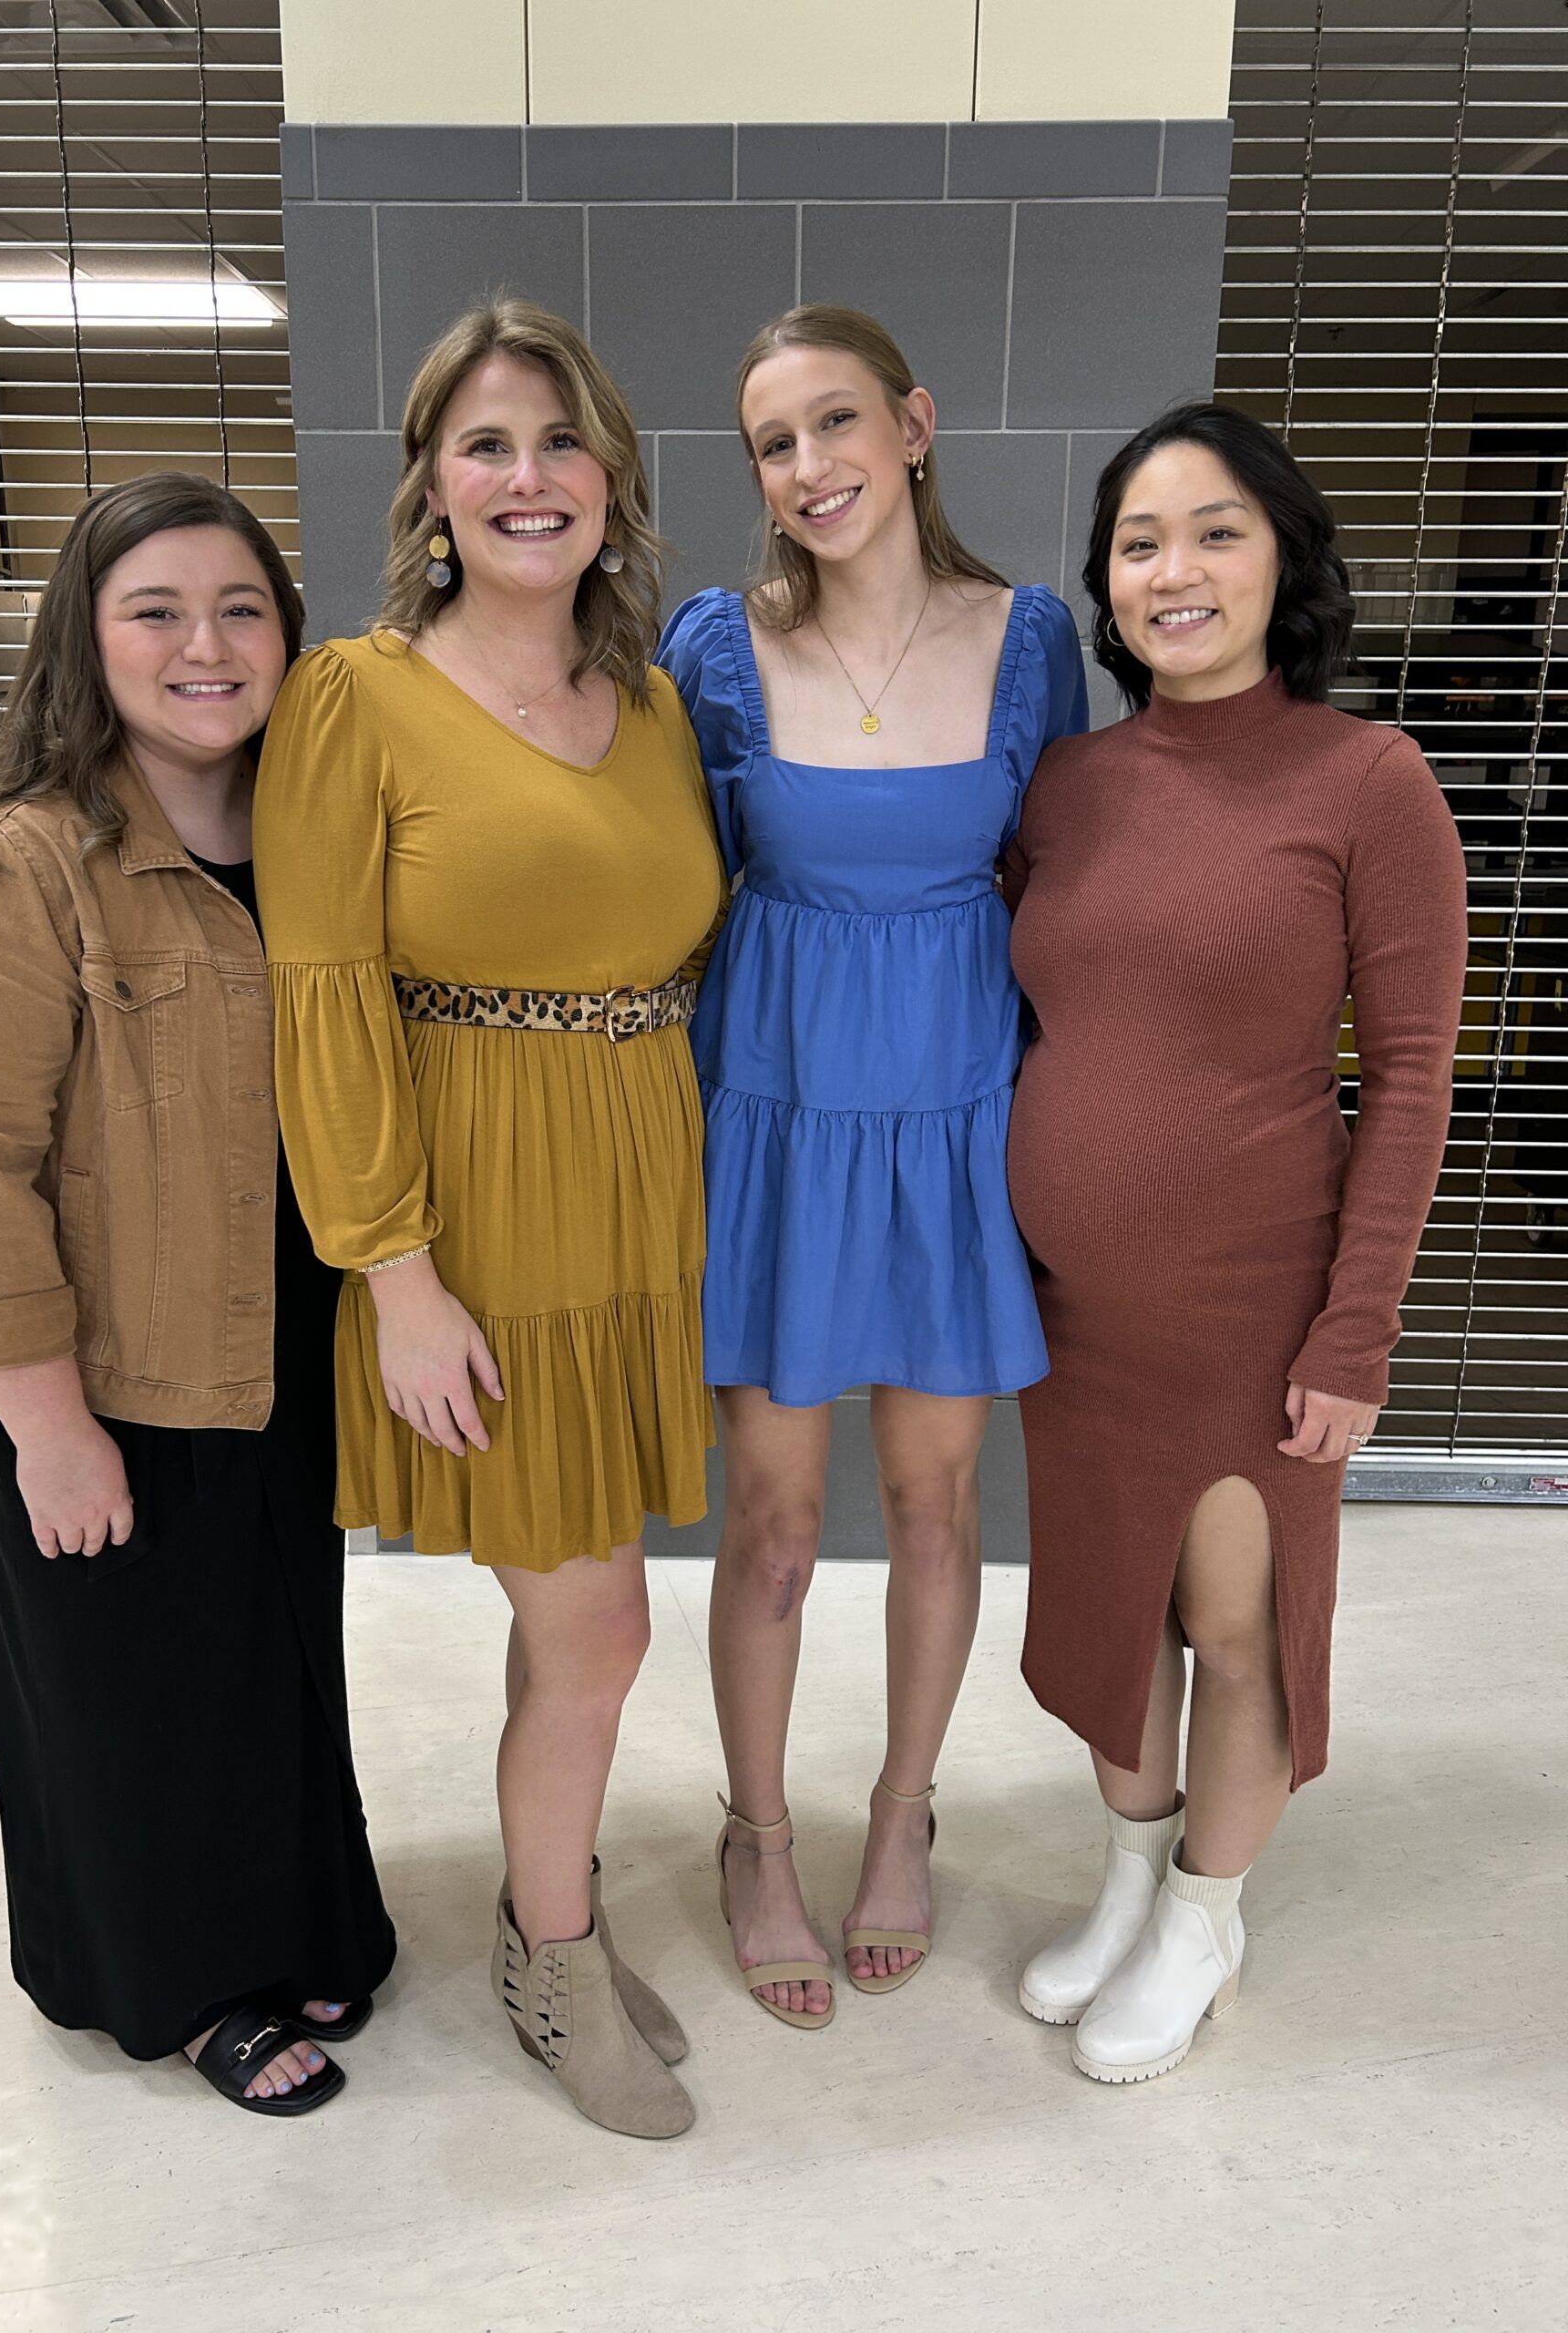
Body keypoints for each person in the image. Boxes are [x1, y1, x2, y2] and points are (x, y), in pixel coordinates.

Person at [253, 301, 723, 2140]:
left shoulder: (654, 703)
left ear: (612, 476)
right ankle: (554, 1961)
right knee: (601, 1630)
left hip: (633, 1205)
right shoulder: (353, 698)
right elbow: (322, 995)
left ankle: (555, 1908)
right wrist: (397, 1275)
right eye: (487, 445)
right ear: (432, 488)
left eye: (561, 440)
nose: (530, 477)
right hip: (481, 1227)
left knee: (575, 1614)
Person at [0, 473, 396, 2116]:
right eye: (154, 612)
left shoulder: (305, 839)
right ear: (83, 642)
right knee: (128, 1694)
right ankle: (178, 1986)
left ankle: (296, 1920)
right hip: (95, 1369)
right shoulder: (6, 864)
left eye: (240, 608)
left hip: (274, 1340)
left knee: (270, 1659)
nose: (204, 645)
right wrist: (48, 1427)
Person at [1004, 402, 1468, 2082]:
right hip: (1073, 1318)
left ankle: (1207, 1915)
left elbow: (1411, 1077)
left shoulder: (1368, 781)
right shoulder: (1068, 785)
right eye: (1140, 542)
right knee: (1113, 1614)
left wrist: (1356, 1337)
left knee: (1235, 1625)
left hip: (1252, 1314)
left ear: (1284, 559)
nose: (1175, 570)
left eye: (1216, 532)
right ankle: (1134, 1880)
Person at [657, 304, 1088, 2027]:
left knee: (933, 1507)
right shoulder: (719, 646)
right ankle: (756, 1836)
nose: (810, 465)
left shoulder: (1029, 638)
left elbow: (1064, 876)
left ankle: (904, 1812)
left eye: (836, 421)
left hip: (955, 1120)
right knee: (769, 1529)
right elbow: (674, 886)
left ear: (912, 425)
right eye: (774, 442)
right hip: (774, 1116)